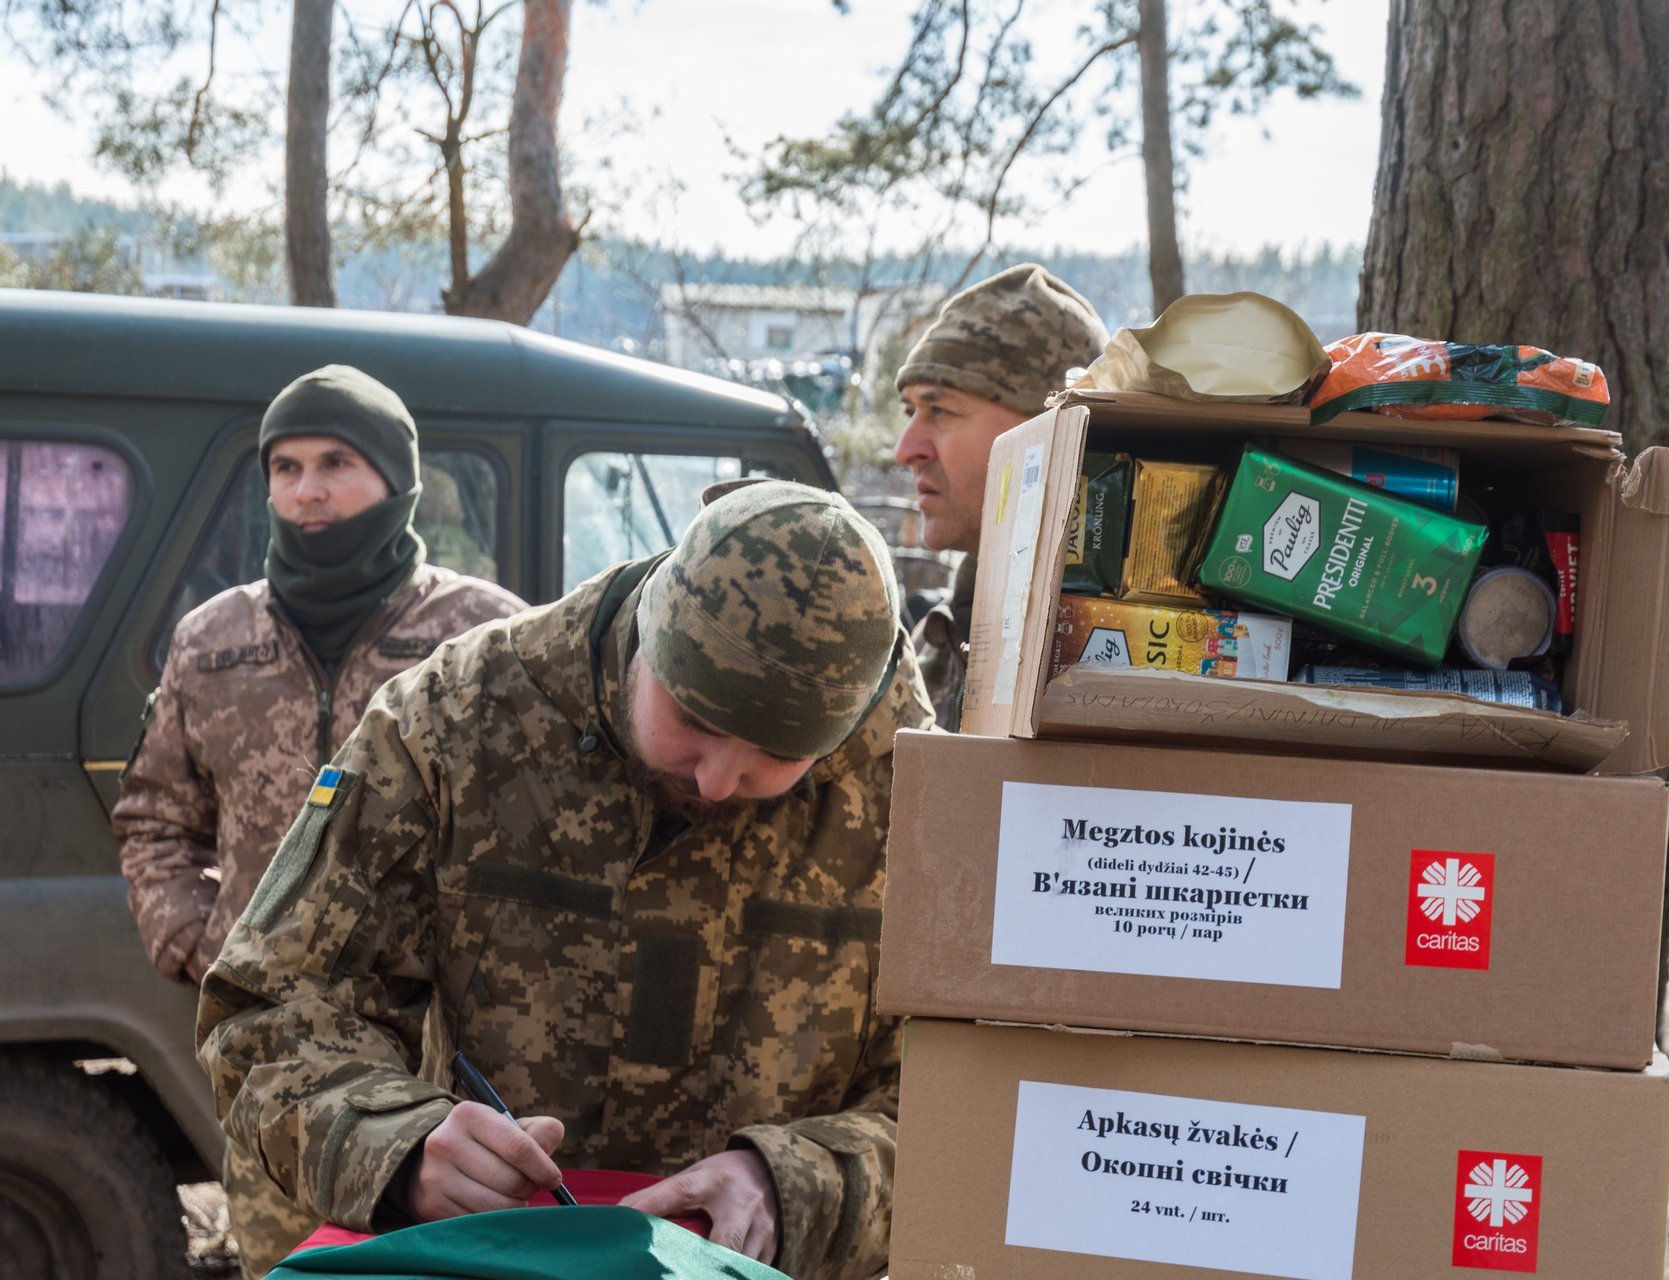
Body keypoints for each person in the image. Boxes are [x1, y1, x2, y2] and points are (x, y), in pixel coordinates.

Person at [196, 479, 935, 1280]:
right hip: (498, 1263)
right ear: (648, 629)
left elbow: (979, 1111)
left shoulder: (917, 796)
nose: (720, 781)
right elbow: (269, 1010)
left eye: (779, 757)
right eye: (693, 720)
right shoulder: (454, 723)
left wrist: (804, 1187)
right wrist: (399, 1146)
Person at [113, 364, 527, 1275]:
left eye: (336, 461)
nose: (306, 490)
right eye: (285, 466)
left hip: (446, 1083)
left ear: (396, 480)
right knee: (288, 1268)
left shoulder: (487, 637)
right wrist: (200, 941)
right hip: (281, 1074)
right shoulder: (213, 641)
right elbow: (153, 817)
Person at [893, 263, 1108, 728]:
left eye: (940, 410)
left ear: (1043, 430)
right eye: (911, 411)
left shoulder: (1113, 654)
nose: (905, 449)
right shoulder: (937, 640)